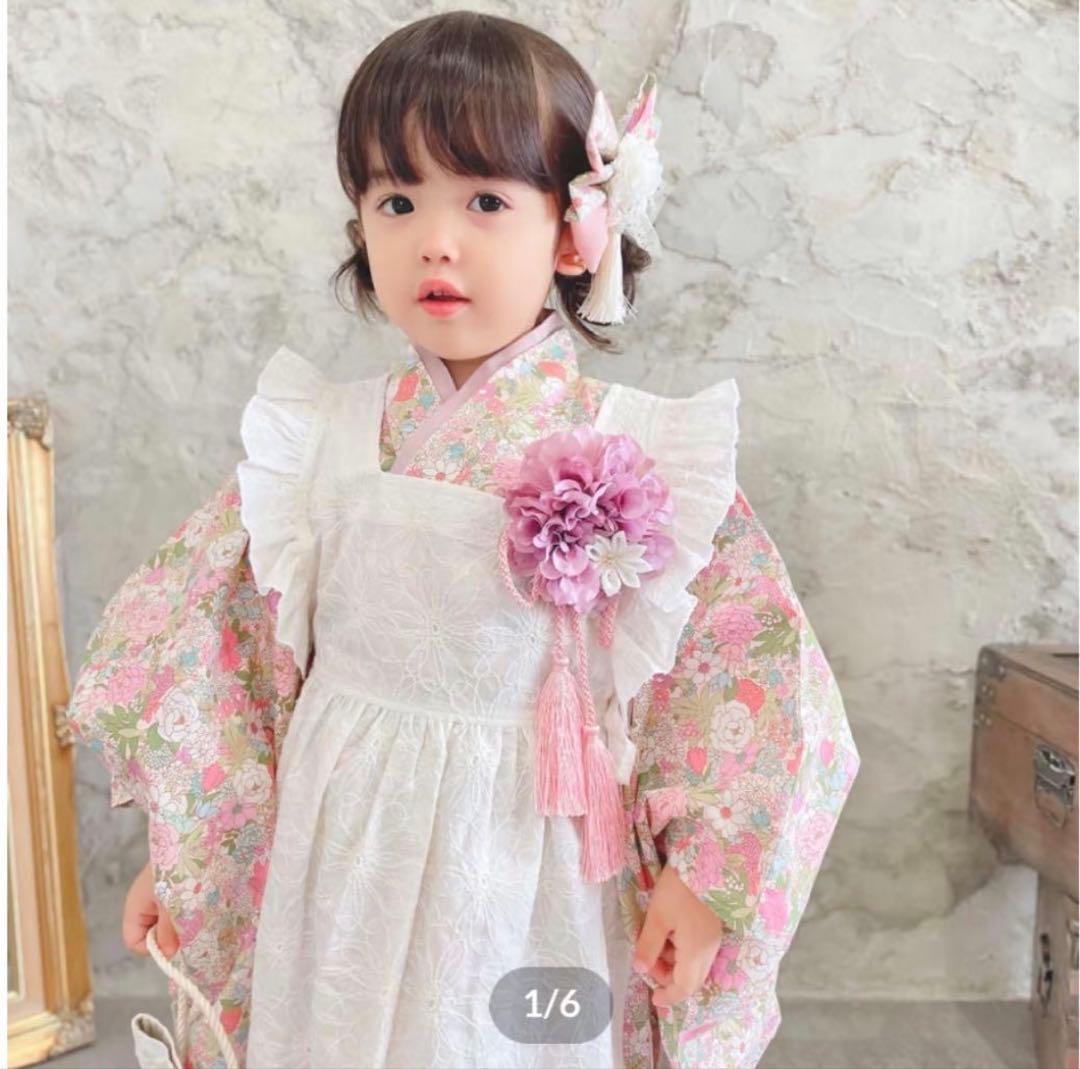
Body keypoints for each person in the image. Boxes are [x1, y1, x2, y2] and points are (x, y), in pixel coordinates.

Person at [67, 11, 861, 1069]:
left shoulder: (641, 456)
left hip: (533, 847)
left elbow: (752, 679)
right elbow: (234, 671)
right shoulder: (321, 445)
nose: (435, 240)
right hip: (339, 846)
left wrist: (708, 875)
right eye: (397, 201)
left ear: (573, 231)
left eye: (485, 200)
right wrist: (189, 853)